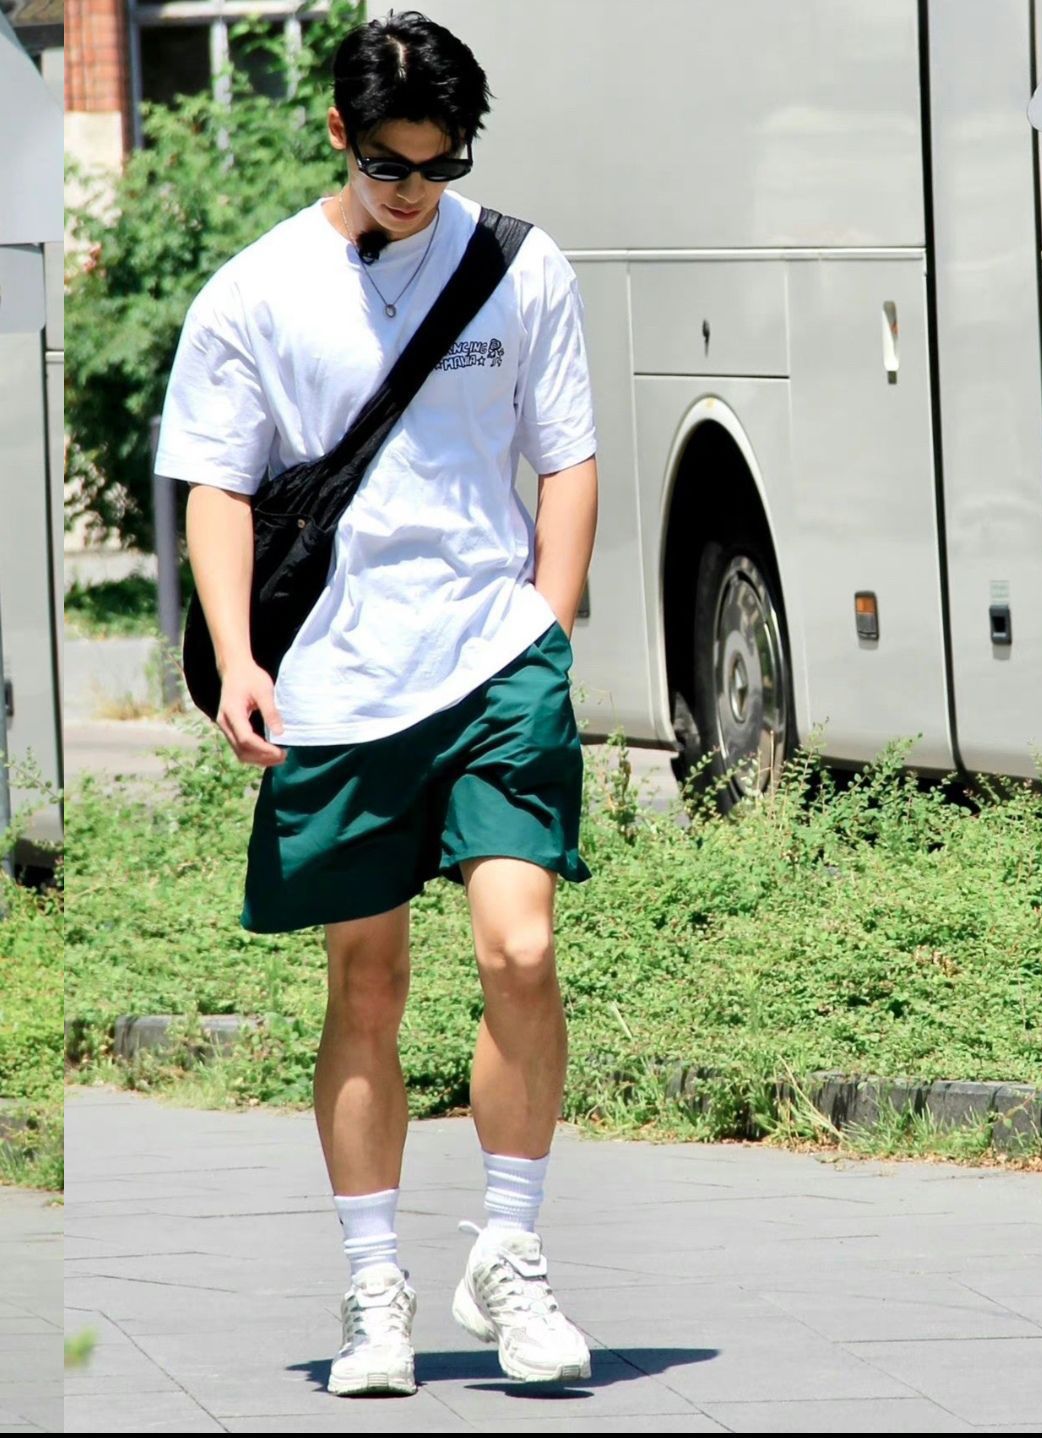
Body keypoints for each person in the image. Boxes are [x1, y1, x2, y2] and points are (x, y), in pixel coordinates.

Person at [154, 8, 599, 1399]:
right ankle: (373, 1287)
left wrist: (548, 620)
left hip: (494, 662)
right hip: (339, 684)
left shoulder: (520, 267)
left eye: (441, 163)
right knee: (369, 979)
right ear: (341, 134)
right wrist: (238, 658)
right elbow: (217, 488)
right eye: (391, 163)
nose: (415, 189)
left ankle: (510, 1252)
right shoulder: (257, 293)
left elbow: (568, 455)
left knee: (521, 948)